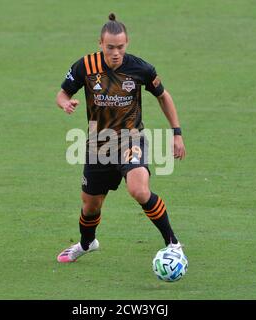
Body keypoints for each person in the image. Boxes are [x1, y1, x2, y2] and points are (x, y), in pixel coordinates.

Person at [56, 13, 187, 263]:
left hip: (130, 139)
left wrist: (176, 133)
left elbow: (163, 96)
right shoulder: (85, 66)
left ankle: (173, 243)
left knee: (138, 189)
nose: (116, 53)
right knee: (90, 206)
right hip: (98, 144)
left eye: (121, 47)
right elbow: (61, 94)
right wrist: (66, 104)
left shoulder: (141, 68)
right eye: (110, 47)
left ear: (127, 44)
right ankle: (87, 244)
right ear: (100, 44)